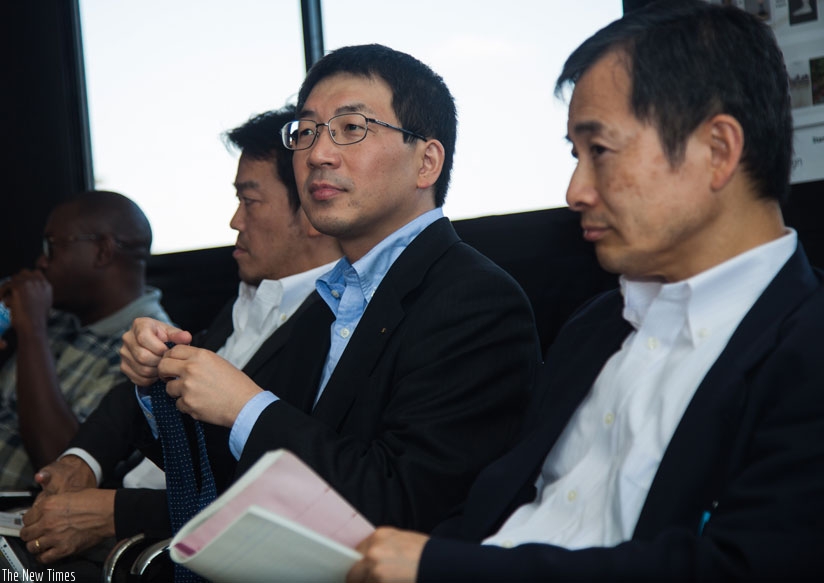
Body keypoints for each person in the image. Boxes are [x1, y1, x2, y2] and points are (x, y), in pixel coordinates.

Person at [347, 2, 824, 581]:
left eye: (599, 151)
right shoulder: (595, 328)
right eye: (576, 155)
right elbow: (489, 513)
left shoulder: (805, 348)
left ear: (717, 151)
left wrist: (442, 568)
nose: (575, 191)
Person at [119, 43, 538, 537]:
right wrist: (161, 385)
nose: (317, 154)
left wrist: (246, 407)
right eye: (307, 131)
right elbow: (235, 479)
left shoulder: (476, 300)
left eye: (351, 128)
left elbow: (405, 506)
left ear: (427, 163)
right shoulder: (331, 300)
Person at [18, 106, 343, 565]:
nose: (235, 221)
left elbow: (276, 491)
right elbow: (136, 397)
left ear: (311, 210)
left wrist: (114, 513)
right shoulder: (248, 300)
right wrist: (81, 460)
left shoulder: (334, 326)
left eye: (249, 201)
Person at [0, 190, 171, 489]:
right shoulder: (57, 317)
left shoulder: (148, 349)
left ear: (103, 251)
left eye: (51, 246)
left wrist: (32, 332)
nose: (41, 261)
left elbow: (61, 467)